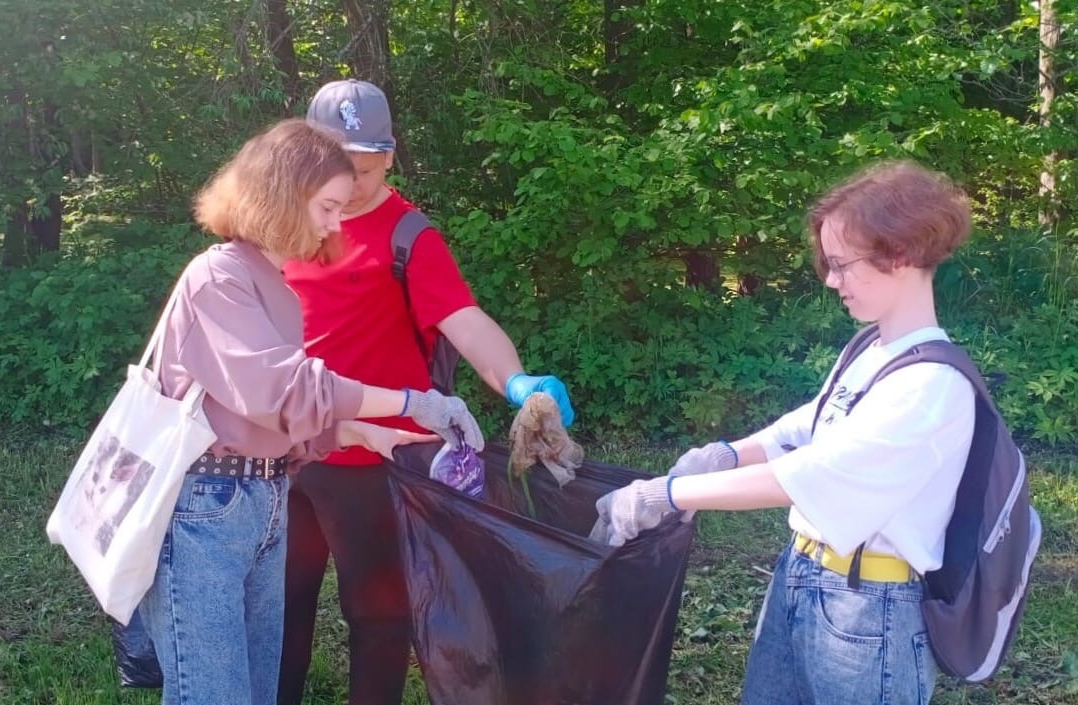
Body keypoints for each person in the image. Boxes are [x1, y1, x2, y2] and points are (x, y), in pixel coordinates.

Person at [591, 160, 976, 705]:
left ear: (902, 253)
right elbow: (811, 424)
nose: (830, 279)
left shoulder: (933, 386)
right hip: (800, 578)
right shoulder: (872, 348)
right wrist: (728, 454)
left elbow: (810, 475)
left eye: (842, 263)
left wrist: (668, 493)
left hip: (869, 612)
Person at [136, 118, 484, 705]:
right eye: (326, 207)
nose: (333, 223)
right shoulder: (218, 277)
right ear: (281, 196)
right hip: (205, 515)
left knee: (255, 686)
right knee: (214, 693)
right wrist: (413, 402)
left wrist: (365, 433)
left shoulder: (271, 280)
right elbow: (286, 391)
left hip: (262, 503)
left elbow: (271, 419)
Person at [277, 79, 576, 705]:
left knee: (377, 612)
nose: (351, 184)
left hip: (378, 457)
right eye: (337, 167)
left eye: (364, 167)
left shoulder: (408, 235)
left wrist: (517, 382)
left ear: (389, 155)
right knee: (280, 602)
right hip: (288, 449)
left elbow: (463, 320)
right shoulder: (287, 224)